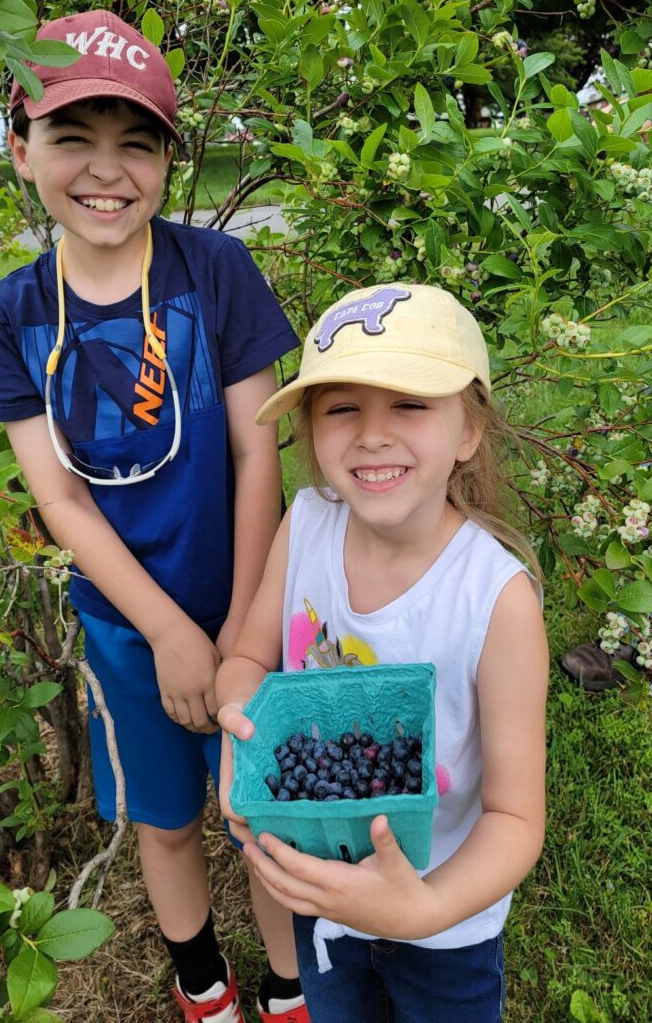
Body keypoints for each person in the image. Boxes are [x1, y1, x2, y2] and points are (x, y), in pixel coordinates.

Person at [0, 9, 310, 1023]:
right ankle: (203, 981)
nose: (106, 170)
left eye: (138, 142)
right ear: (22, 150)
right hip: (124, 631)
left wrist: (241, 634)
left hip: (252, 605)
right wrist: (162, 630)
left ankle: (289, 991)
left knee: (264, 820)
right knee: (164, 821)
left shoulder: (218, 273)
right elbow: (59, 496)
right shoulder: (11, 317)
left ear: (168, 159)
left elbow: (260, 452)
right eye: (74, 136)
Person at [216, 282, 549, 1022]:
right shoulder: (304, 526)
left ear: (468, 430)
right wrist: (239, 729)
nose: (371, 434)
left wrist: (421, 910)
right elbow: (246, 658)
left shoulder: (496, 602)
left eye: (410, 404)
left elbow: (517, 818)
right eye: (341, 408)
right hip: (319, 888)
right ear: (309, 429)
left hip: (445, 925)